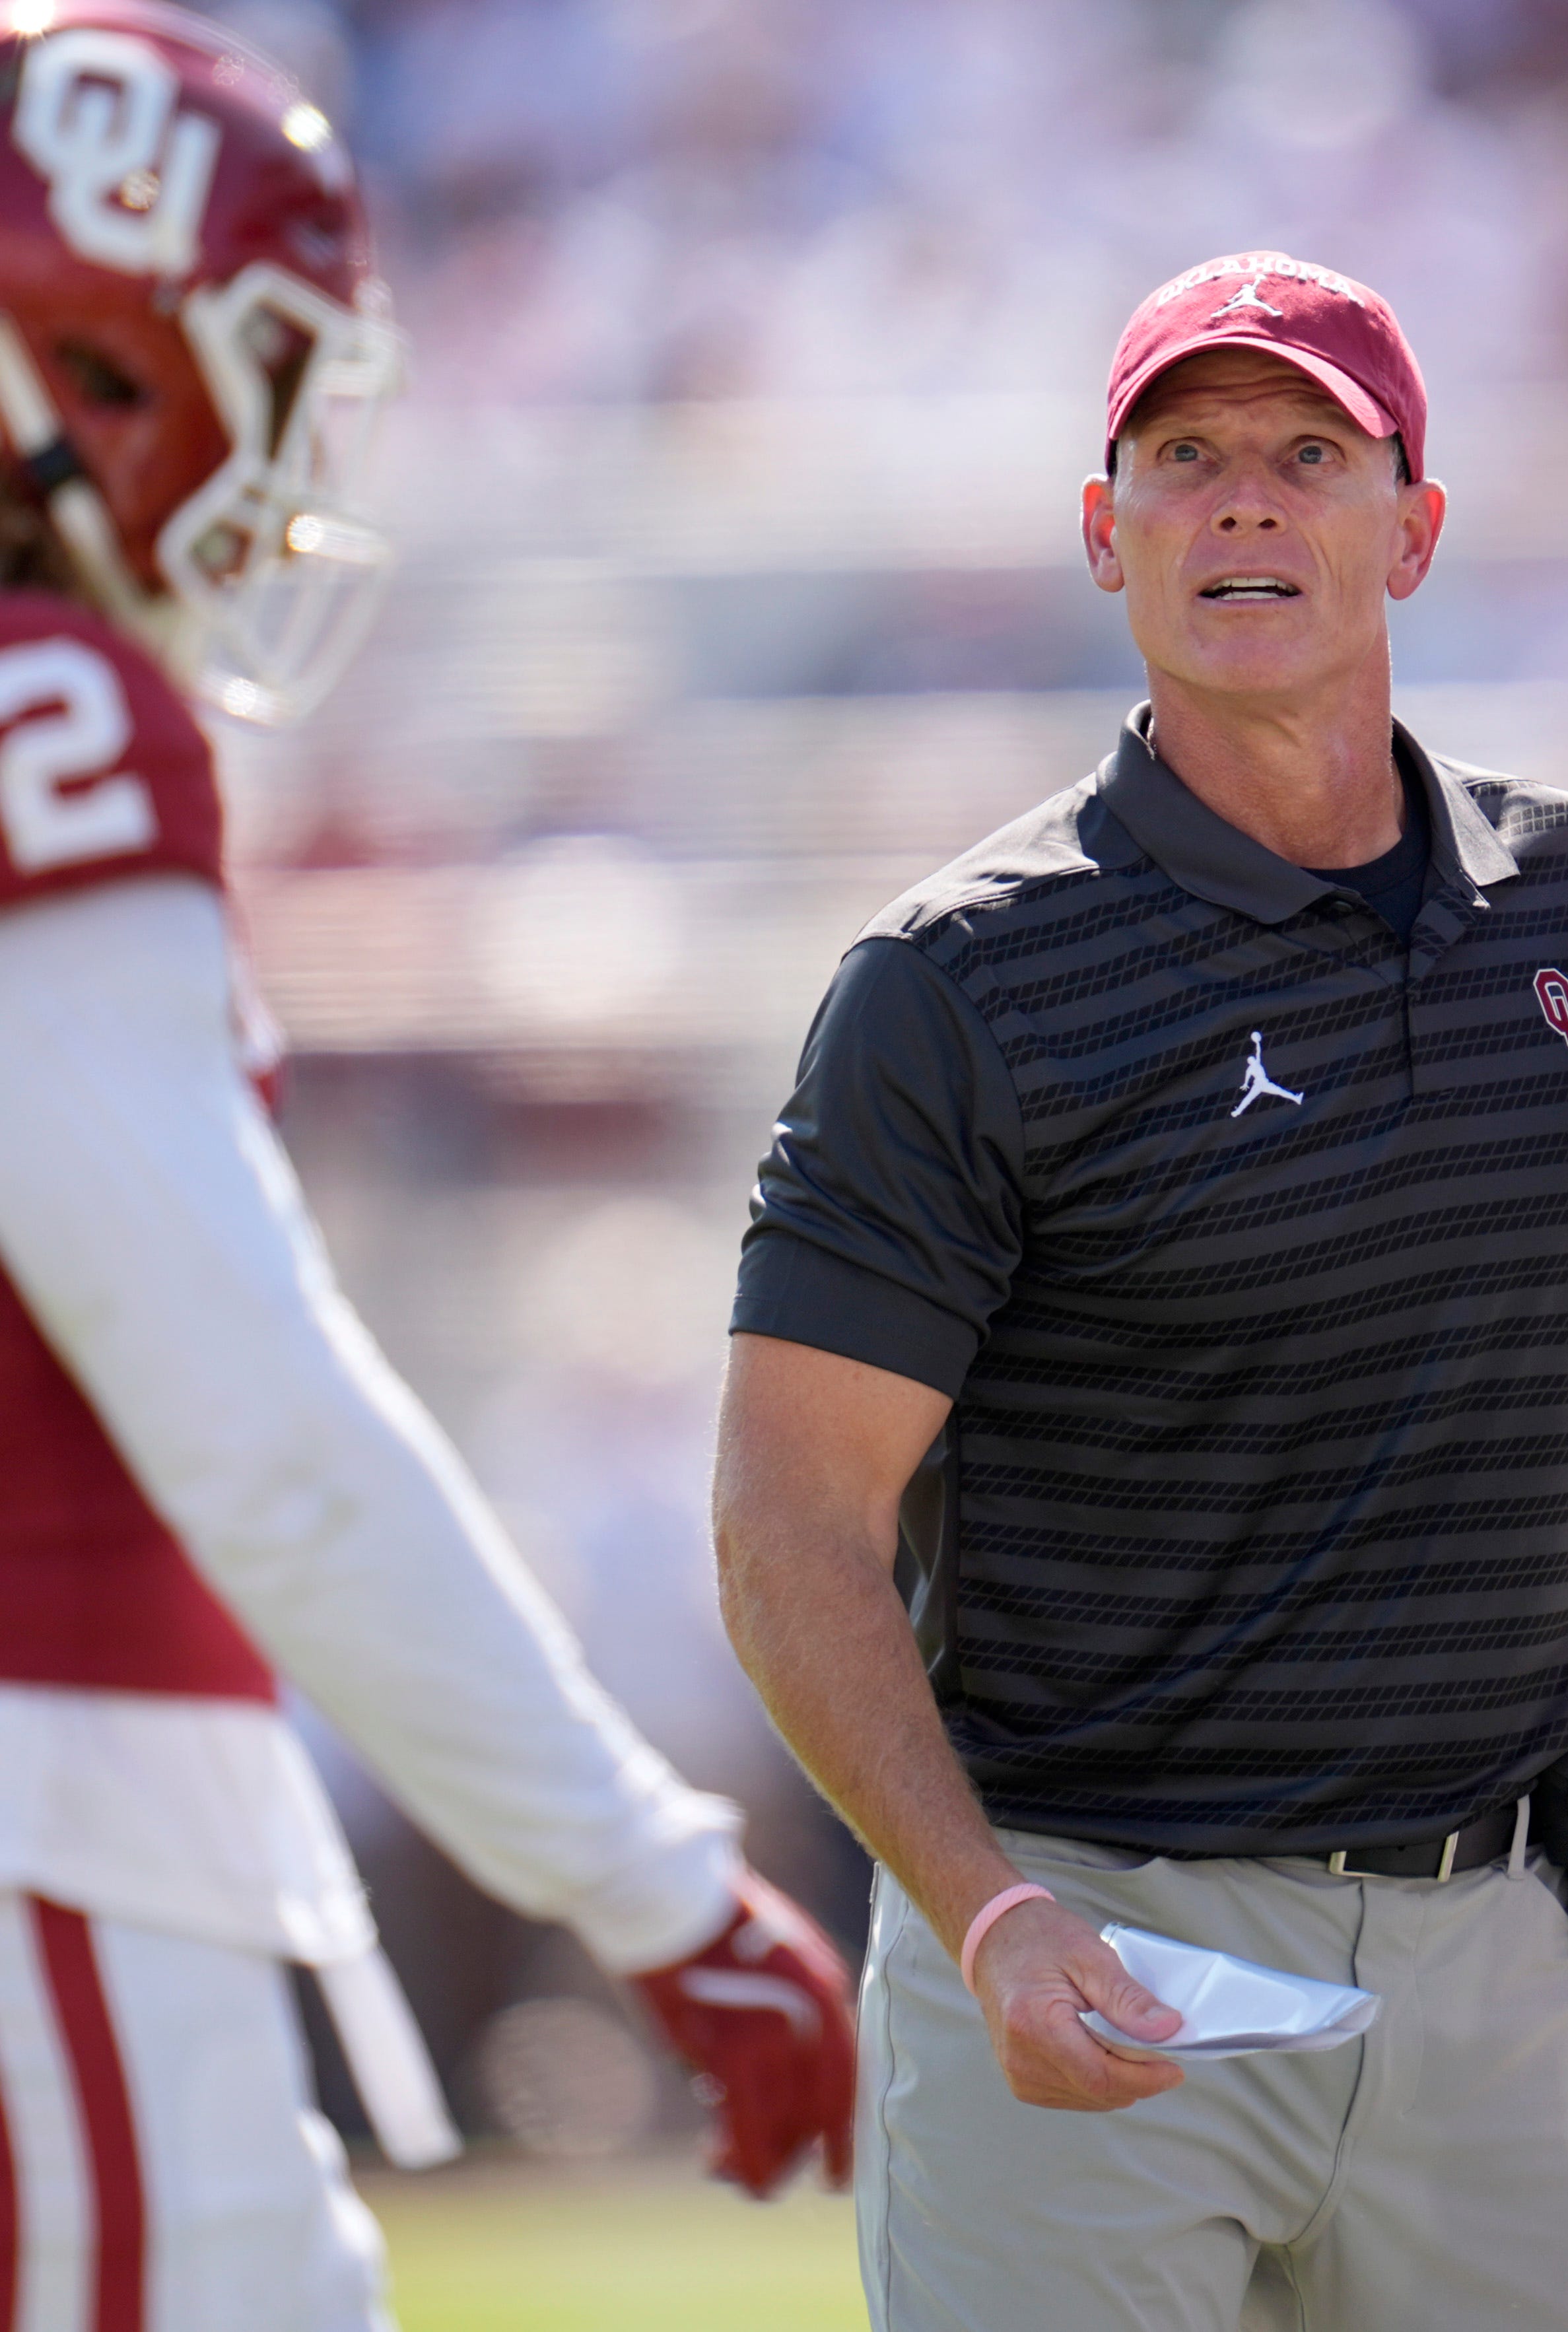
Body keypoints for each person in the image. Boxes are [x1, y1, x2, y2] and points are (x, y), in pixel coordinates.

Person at [714, 250, 1568, 2332]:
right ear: (1107, 533)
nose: (1243, 500)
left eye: (1305, 454)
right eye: (1185, 457)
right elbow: (790, 1519)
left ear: (1412, 527)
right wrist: (983, 1917)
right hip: (1096, 1944)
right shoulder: (958, 978)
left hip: (1495, 1951)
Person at [0, 7, 856, 2323]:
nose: (275, 464)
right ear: (71, 371)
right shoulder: (50, 715)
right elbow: (252, 1416)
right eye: (238, 369)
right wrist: (651, 1878)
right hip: (48, 1815)